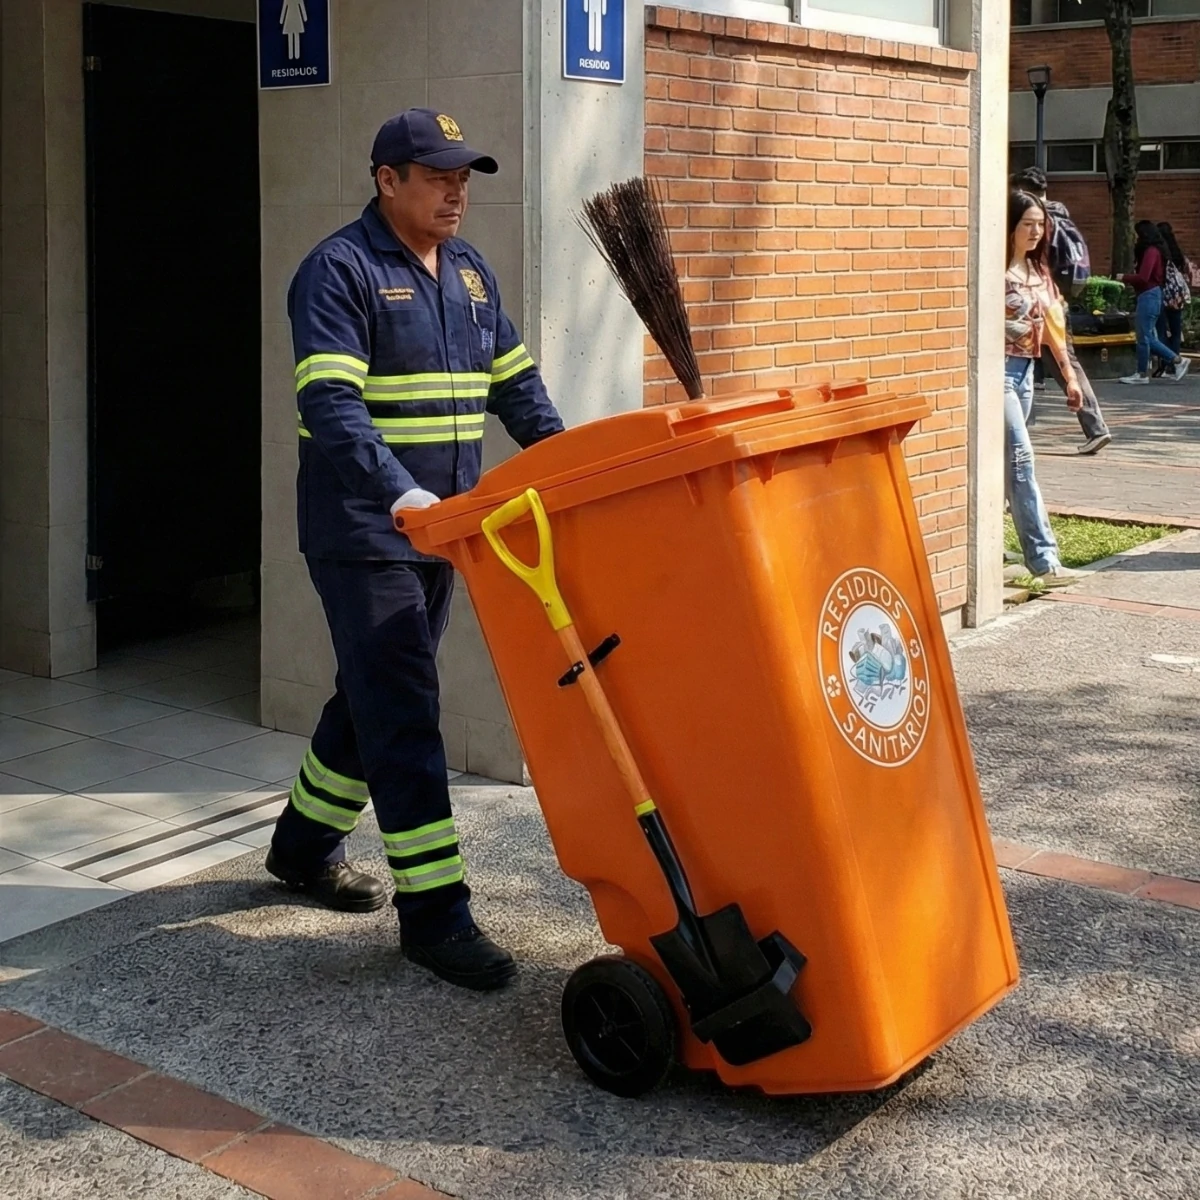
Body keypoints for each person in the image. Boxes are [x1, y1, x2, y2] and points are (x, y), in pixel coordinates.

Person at [266, 108, 565, 991]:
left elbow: (520, 390)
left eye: (464, 176)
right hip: (365, 532)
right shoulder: (337, 271)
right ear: (386, 178)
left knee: (371, 695)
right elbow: (332, 409)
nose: (456, 191)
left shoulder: (470, 273)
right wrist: (399, 493)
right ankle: (436, 915)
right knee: (402, 709)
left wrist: (572, 471)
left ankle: (301, 847)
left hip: (444, 531)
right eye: (437, 176)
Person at [1004, 191, 1083, 588]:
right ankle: (1044, 560)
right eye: (1027, 224)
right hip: (998, 374)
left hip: (1026, 375)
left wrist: (1068, 376)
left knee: (1005, 469)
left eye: (1040, 224)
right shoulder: (998, 272)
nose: (1035, 232)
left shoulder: (1040, 272)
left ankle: (995, 549)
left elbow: (1054, 329)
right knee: (1021, 462)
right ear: (1011, 227)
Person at [1009, 167, 1111, 454]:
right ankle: (1023, 428)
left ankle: (1095, 426)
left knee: (1059, 360)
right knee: (1046, 361)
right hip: (1055, 299)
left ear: (1022, 191)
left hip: (1039, 299)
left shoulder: (1037, 220)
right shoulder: (1060, 215)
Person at [1119, 220, 1189, 385]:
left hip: (1149, 295)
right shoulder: (1157, 251)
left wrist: (1124, 277)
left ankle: (1145, 372)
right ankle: (1173, 361)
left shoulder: (1151, 252)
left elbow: (1144, 277)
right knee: (1147, 336)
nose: (1136, 239)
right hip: (1152, 295)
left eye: (1138, 235)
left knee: (1144, 337)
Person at [1153, 222, 1191, 372]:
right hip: (1177, 297)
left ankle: (1166, 361)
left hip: (1162, 294)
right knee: (1176, 331)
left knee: (1161, 330)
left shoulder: (1160, 252)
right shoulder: (1177, 253)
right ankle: (1174, 364)